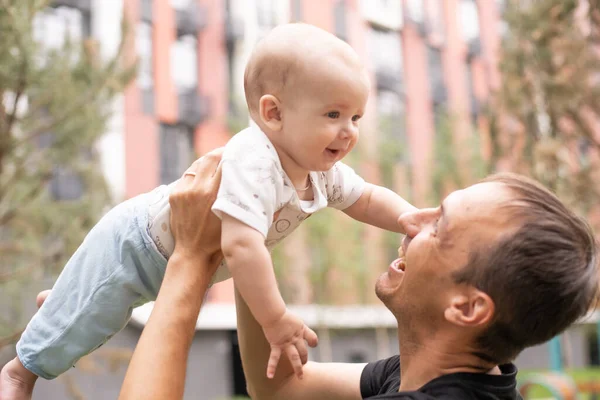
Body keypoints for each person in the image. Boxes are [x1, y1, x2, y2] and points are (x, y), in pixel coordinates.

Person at [1, 22, 416, 398]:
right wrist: (274, 318)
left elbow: (366, 198)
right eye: (333, 114)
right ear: (273, 113)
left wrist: (411, 219)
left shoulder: (319, 169)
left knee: (98, 315)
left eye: (357, 117)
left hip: (170, 265)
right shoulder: (254, 162)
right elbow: (241, 248)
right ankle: (19, 373)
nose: (349, 131)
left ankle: (68, 300)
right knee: (90, 315)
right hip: (137, 247)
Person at [235, 173, 599, 399]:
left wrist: (191, 259)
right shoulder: (454, 378)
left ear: (468, 307)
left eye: (439, 227)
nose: (409, 219)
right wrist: (248, 245)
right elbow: (279, 388)